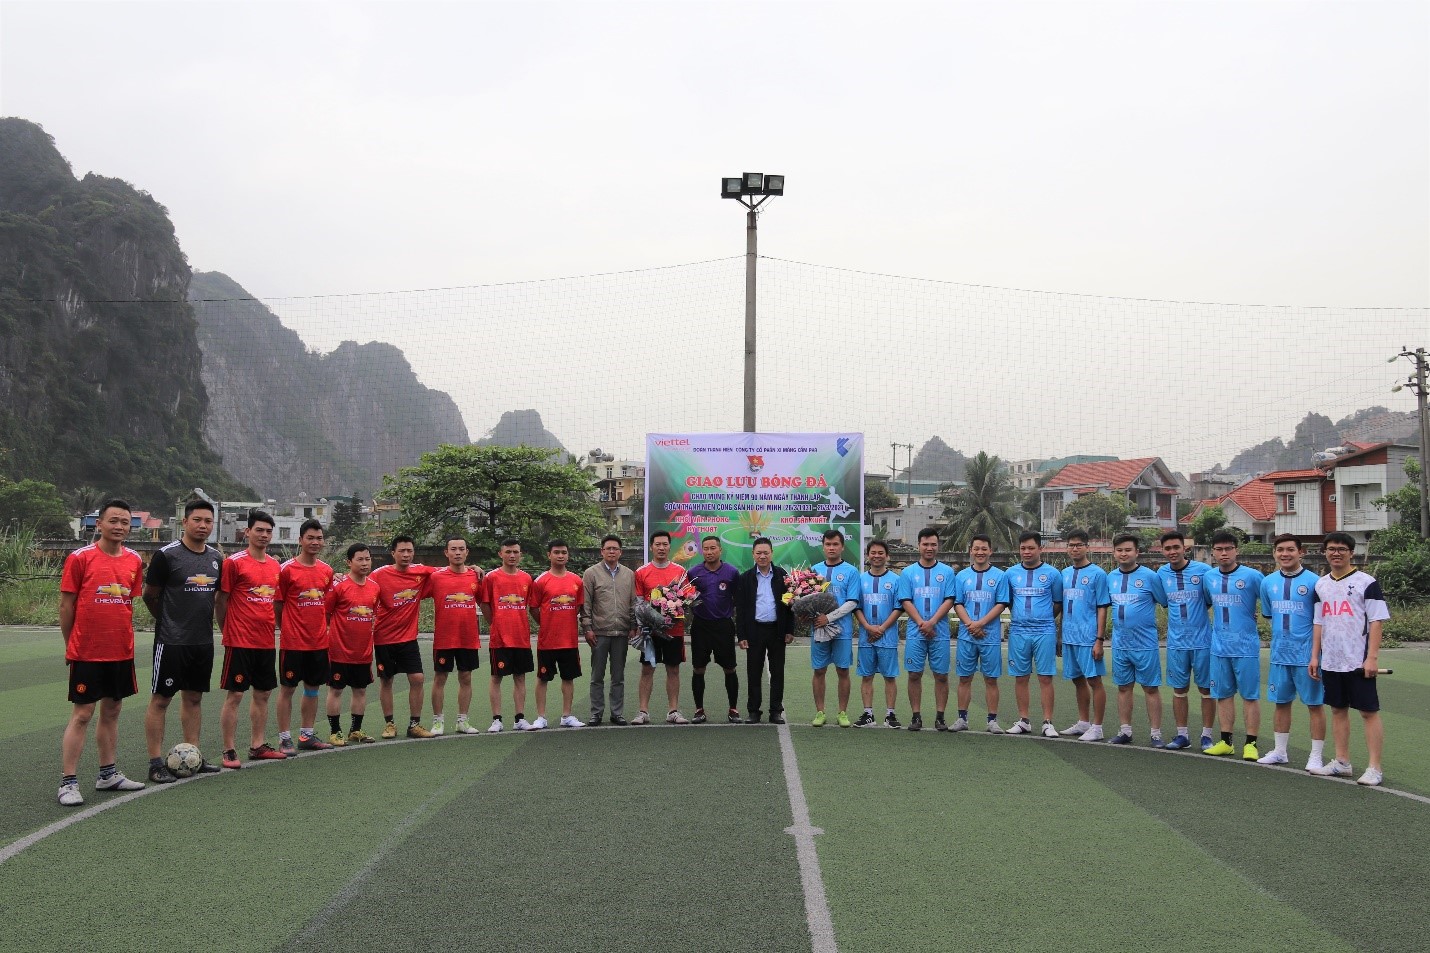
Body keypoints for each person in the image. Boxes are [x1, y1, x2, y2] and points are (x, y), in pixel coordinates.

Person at [57, 498, 146, 805]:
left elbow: (127, 603)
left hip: (120, 650)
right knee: (83, 714)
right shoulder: (80, 558)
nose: (119, 526)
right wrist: (71, 644)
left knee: (112, 711)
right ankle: (68, 782)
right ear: (99, 524)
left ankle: (108, 774)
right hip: (87, 652)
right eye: (113, 521)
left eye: (125, 522)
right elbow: (66, 605)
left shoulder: (134, 560)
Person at [141, 498, 223, 783]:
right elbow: (149, 595)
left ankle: (193, 755)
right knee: (161, 699)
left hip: (202, 641)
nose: (203, 525)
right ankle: (155, 762)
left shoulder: (216, 558)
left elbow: (214, 596)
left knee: (194, 698)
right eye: (197, 520)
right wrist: (167, 621)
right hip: (171, 641)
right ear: (185, 522)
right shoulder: (167, 556)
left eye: (208, 521)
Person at [1309, 532, 1390, 785]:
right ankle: (1342, 762)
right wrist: (1315, 656)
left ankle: (1375, 768)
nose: (1336, 553)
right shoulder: (1320, 585)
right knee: (1337, 709)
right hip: (1331, 659)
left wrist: (1372, 658)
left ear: (1351, 553)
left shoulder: (1367, 582)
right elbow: (1319, 622)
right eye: (1331, 549)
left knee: (1368, 712)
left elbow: (1377, 621)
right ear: (1325, 552)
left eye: (1342, 549)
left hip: (1358, 660)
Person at [217, 509, 287, 768]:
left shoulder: (275, 566)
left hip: (265, 641)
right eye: (259, 530)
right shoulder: (234, 563)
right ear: (247, 532)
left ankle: (258, 745)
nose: (264, 535)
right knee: (235, 695)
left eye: (268, 531)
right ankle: (228, 749)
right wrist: (227, 629)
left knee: (263, 693)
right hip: (240, 640)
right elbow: (221, 600)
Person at [1255, 535, 1325, 768]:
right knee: (1281, 702)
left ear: (1300, 552)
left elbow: (1321, 621)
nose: (1285, 554)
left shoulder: (1316, 582)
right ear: (1274, 553)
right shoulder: (1268, 583)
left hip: (1307, 656)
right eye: (1280, 550)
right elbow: (1269, 615)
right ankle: (1280, 751)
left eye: (1290, 550)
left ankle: (1316, 756)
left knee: (1314, 704)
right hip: (1279, 654)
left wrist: (1315, 653)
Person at [993, 531, 1063, 738]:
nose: (1027, 552)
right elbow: (1008, 601)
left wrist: (1043, 618)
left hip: (1044, 631)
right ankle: (1024, 720)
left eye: (1031, 548)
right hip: (1019, 631)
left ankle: (1047, 722)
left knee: (1045, 677)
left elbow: (1058, 603)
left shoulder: (1053, 574)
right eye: (1023, 548)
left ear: (1040, 549)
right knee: (1021, 677)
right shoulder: (1010, 574)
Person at [1201, 530, 1264, 760]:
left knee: (1249, 696)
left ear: (1236, 550)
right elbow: (1208, 602)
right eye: (1219, 549)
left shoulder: (1253, 576)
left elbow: (1267, 602)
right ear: (1213, 553)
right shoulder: (1209, 577)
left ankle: (1251, 744)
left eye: (1228, 548)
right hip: (1219, 647)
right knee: (1223, 695)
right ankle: (1226, 742)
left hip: (1245, 647)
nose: (1224, 553)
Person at [274, 519, 335, 755]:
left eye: (319, 538)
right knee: (287, 689)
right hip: (293, 642)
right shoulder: (286, 570)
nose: (315, 542)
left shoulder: (326, 571)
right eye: (310, 538)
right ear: (300, 540)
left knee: (312, 689)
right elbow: (278, 604)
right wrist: (286, 628)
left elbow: (325, 605)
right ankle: (284, 738)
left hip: (318, 642)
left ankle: (306, 735)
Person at [369, 535, 436, 739]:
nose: (406, 554)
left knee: (417, 678)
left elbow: (448, 571)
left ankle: (414, 725)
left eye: (409, 551)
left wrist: (472, 568)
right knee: (386, 680)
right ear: (393, 553)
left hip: (408, 638)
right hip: (384, 637)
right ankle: (389, 724)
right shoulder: (379, 574)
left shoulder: (420, 572)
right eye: (402, 551)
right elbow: (360, 584)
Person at [1106, 534, 1168, 746]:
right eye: (1119, 550)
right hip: (1120, 643)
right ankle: (1125, 731)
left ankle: (1156, 734)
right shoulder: (1111, 577)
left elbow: (1164, 601)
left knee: (1150, 688)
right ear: (1114, 553)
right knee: (1123, 687)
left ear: (1137, 552)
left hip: (1145, 644)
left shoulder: (1150, 577)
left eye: (1128, 550)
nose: (1123, 554)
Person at [1156, 530, 1216, 751]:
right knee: (1179, 690)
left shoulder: (1203, 571)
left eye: (1176, 547)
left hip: (1202, 642)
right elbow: (1165, 602)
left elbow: (1210, 600)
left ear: (1185, 548)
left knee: (1206, 690)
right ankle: (1182, 735)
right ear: (1163, 551)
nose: (1172, 551)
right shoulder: (1161, 574)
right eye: (1168, 548)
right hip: (1176, 643)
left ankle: (1207, 736)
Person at [897, 527, 957, 731]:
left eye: (933, 544)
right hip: (916, 632)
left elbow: (949, 599)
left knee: (941, 675)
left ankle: (940, 717)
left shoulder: (947, 572)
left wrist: (932, 622)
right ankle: (916, 716)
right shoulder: (908, 573)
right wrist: (922, 623)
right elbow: (906, 600)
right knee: (914, 674)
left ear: (938, 546)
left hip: (939, 632)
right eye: (925, 544)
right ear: (918, 545)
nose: (929, 548)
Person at [631, 530, 691, 725]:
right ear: (651, 547)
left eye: (665, 544)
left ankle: (673, 711)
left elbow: (686, 598)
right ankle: (643, 712)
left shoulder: (680, 571)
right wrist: (650, 620)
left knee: (673, 669)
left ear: (669, 546)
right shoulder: (641, 572)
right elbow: (639, 602)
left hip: (674, 631)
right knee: (647, 669)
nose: (661, 547)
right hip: (650, 633)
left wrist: (673, 612)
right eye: (658, 544)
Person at [1056, 530, 1110, 742]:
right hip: (1069, 636)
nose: (1075, 548)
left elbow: (1102, 607)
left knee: (1094, 680)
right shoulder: (1064, 573)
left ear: (1087, 547)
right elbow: (1062, 606)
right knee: (1077, 680)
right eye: (1071, 545)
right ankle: (1083, 722)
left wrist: (1099, 639)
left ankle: (1098, 727)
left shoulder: (1098, 574)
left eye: (1079, 545)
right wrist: (1060, 635)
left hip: (1088, 637)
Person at [324, 543, 380, 745]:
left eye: (368, 559)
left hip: (363, 652)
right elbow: (326, 614)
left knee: (360, 690)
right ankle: (335, 732)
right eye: (360, 559)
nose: (365, 563)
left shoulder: (375, 587)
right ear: (349, 562)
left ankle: (355, 730)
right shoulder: (339, 586)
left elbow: (373, 614)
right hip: (339, 651)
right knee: (336, 690)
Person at [428, 536, 484, 735]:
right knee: (440, 677)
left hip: (468, 637)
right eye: (453, 549)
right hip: (444, 638)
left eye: (461, 549)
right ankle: (438, 721)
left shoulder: (476, 577)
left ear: (467, 552)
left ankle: (462, 721)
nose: (457, 552)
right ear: (446, 552)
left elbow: (484, 601)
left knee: (466, 677)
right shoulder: (436, 577)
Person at [735, 537, 794, 724]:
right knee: (754, 672)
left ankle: (776, 711)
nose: (762, 556)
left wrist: (789, 629)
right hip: (754, 630)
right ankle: (754, 711)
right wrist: (741, 634)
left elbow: (790, 605)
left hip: (777, 630)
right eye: (758, 553)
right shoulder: (745, 578)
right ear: (753, 554)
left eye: (765, 553)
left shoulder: (782, 576)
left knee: (777, 672)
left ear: (772, 554)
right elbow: (740, 609)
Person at [581, 534, 638, 726]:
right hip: (599, 632)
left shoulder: (629, 574)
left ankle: (617, 713)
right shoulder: (591, 573)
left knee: (618, 676)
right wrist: (587, 628)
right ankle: (596, 713)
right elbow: (586, 604)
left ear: (620, 552)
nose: (612, 551)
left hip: (621, 632)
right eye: (608, 549)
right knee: (597, 676)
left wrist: (633, 625)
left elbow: (633, 602)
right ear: (602, 551)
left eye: (615, 549)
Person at [685, 535, 743, 724]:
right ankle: (699, 710)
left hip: (723, 625)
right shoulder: (693, 572)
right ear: (702, 551)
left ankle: (733, 709)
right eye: (706, 549)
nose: (709, 552)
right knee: (698, 668)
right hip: (701, 626)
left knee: (730, 668)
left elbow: (737, 599)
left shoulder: (732, 572)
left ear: (720, 550)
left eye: (713, 548)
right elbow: (686, 597)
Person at [529, 539, 586, 729]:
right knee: (542, 678)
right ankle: (541, 717)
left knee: (568, 677)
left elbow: (577, 607)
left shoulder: (576, 580)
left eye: (564, 552)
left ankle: (567, 716)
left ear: (568, 555)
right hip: (547, 641)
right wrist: (547, 623)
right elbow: (534, 608)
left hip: (569, 640)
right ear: (549, 555)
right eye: (556, 552)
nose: (560, 556)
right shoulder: (540, 581)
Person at [952, 534, 1005, 733]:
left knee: (991, 679)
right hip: (967, 635)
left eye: (984, 549)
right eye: (976, 548)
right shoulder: (961, 576)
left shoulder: (1000, 576)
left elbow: (1001, 604)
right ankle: (962, 719)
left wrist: (980, 624)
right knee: (964, 678)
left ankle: (992, 720)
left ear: (990, 551)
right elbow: (958, 603)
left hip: (989, 636)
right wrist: (970, 625)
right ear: (970, 551)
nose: (980, 552)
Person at [482, 538, 535, 732]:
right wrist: (495, 624)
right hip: (500, 638)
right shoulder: (492, 577)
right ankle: (496, 719)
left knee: (520, 677)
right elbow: (485, 604)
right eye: (508, 552)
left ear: (521, 555)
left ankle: (519, 719)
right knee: (496, 677)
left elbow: (530, 605)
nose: (512, 555)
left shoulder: (527, 579)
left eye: (515, 552)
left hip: (521, 637)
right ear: (500, 554)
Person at [810, 530, 861, 728]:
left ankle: (842, 712)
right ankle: (820, 712)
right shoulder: (814, 570)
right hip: (818, 629)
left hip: (842, 630)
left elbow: (852, 602)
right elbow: (807, 599)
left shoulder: (851, 571)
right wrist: (807, 614)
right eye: (828, 544)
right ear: (823, 546)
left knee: (842, 670)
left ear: (842, 547)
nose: (831, 548)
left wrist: (829, 618)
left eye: (835, 544)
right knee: (819, 670)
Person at [853, 540, 903, 728]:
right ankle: (868, 714)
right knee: (867, 676)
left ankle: (890, 715)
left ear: (887, 556)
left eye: (881, 553)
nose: (876, 556)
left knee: (889, 676)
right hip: (866, 636)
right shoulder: (860, 580)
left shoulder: (896, 580)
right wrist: (867, 626)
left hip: (887, 637)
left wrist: (881, 628)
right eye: (873, 553)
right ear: (868, 555)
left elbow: (899, 607)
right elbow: (856, 606)